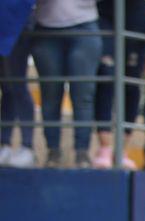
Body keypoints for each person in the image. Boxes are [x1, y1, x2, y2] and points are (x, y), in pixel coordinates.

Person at [31, 0, 102, 168]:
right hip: (46, 28)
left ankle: (82, 153)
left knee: (83, 96)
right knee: (50, 96)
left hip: (84, 25)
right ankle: (53, 152)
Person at [91, 0, 145, 168]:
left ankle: (121, 150)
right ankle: (104, 147)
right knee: (106, 76)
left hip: (138, 15)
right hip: (105, 11)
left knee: (131, 83)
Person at [0, 5, 37, 169]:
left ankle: (27, 146)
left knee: (16, 84)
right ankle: (4, 144)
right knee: (7, 87)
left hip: (15, 22)